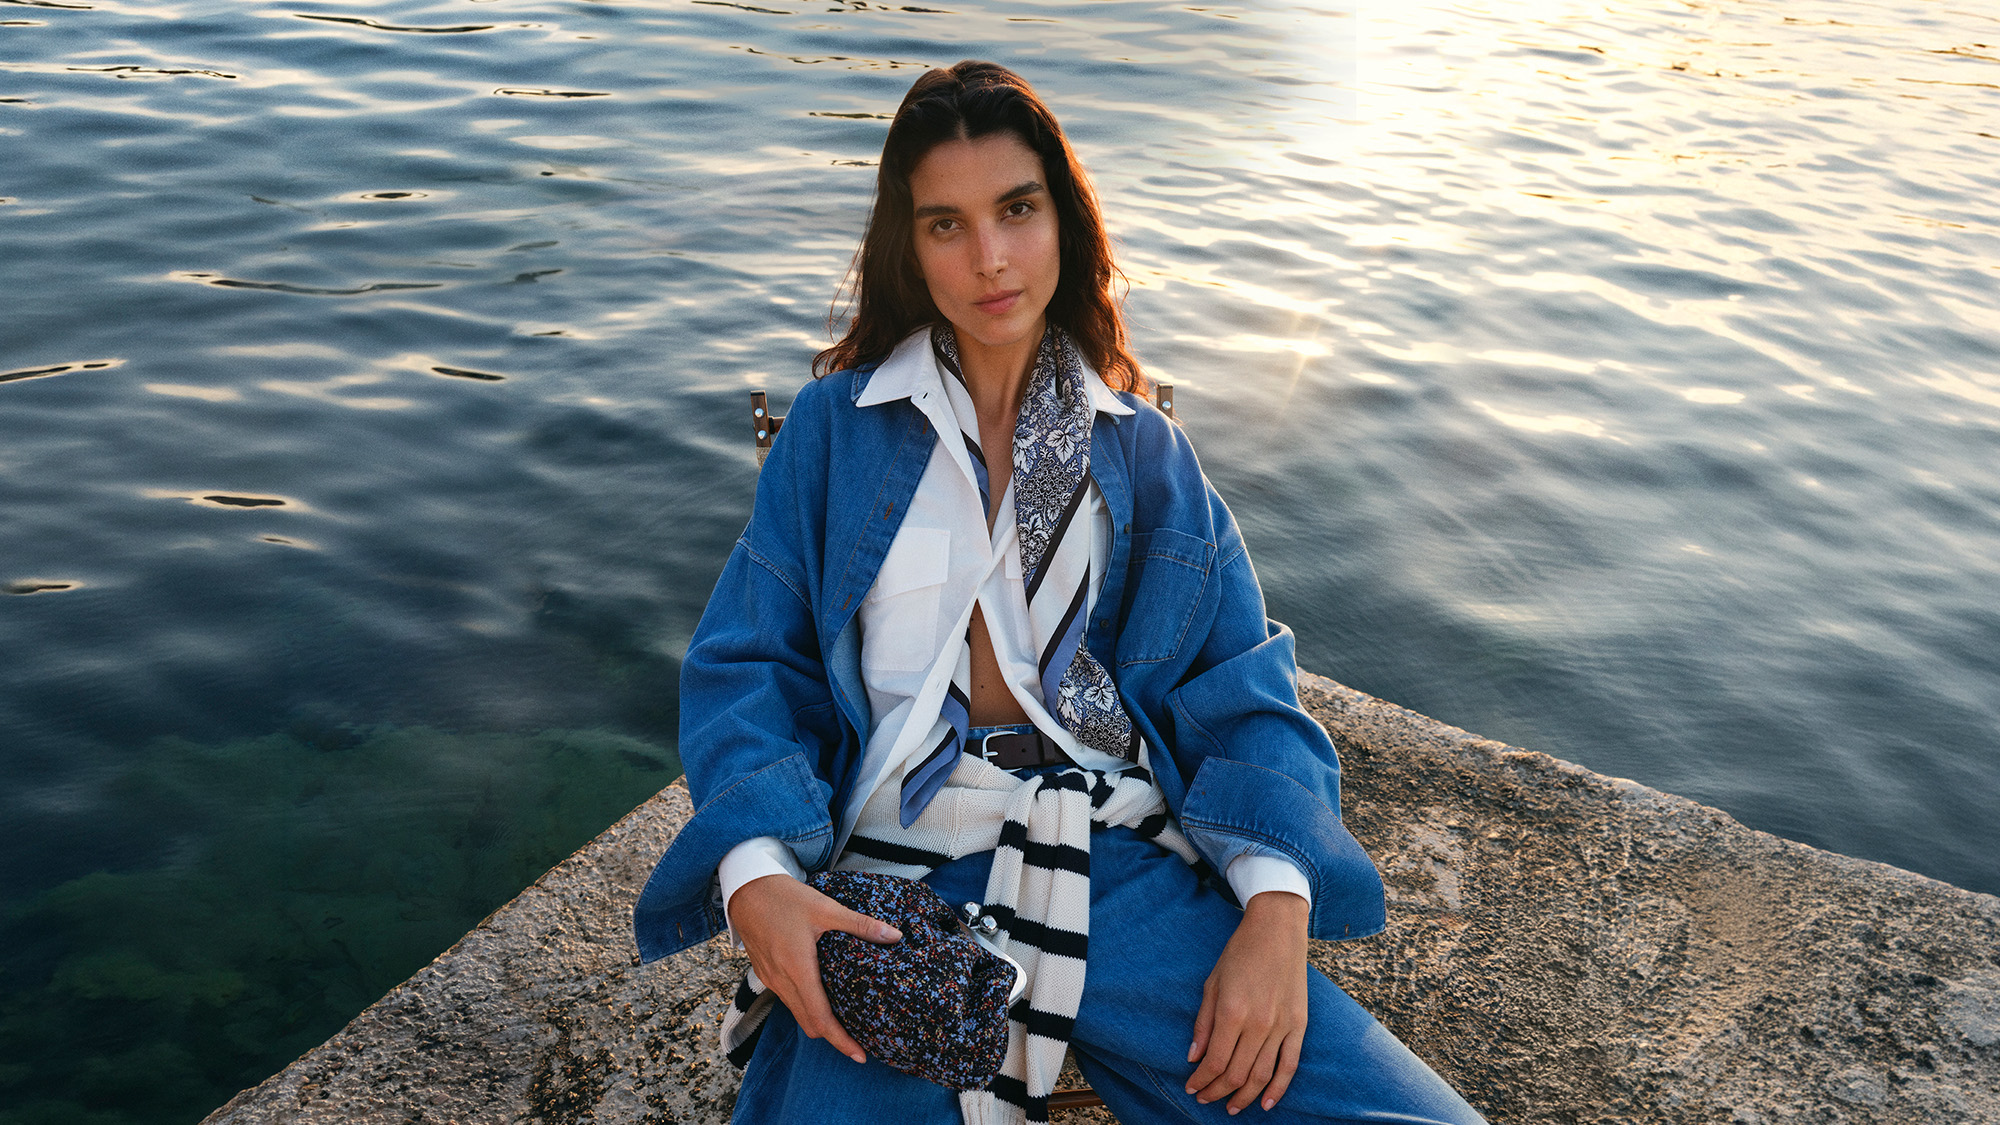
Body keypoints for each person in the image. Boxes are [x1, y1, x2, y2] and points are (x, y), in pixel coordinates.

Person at [633, 60, 1486, 1125]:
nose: (988, 258)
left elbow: (1242, 693)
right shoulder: (834, 431)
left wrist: (1272, 917)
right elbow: (747, 668)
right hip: (888, 879)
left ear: (1063, 221)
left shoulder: (1145, 456)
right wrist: (755, 877)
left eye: (1016, 210)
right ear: (908, 245)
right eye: (944, 224)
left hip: (1106, 854)